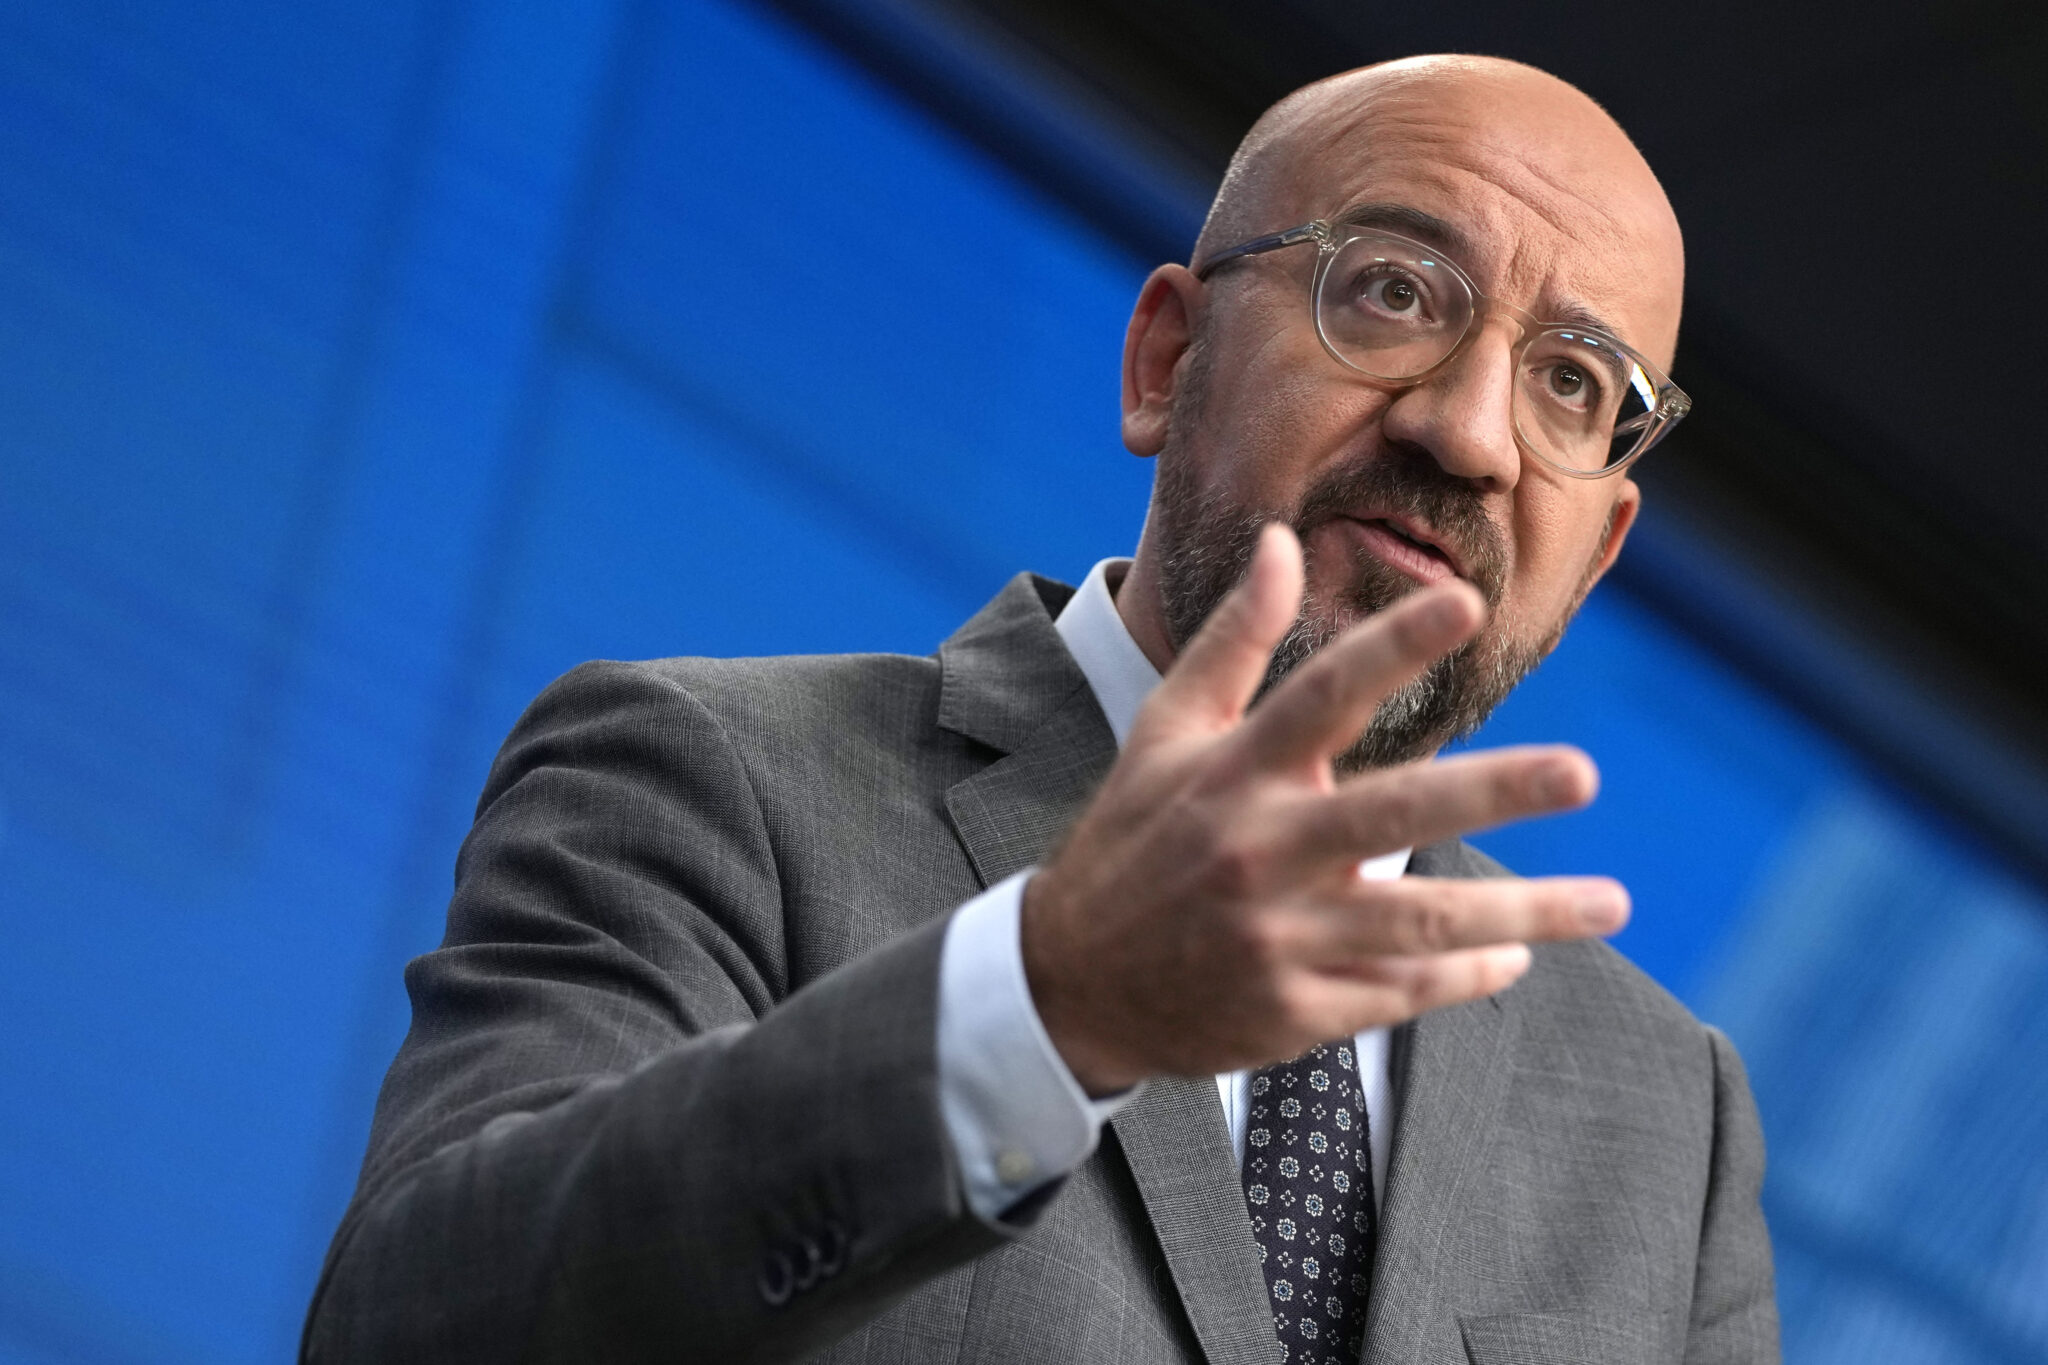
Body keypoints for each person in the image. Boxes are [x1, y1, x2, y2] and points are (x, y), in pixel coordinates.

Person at [303, 54, 1778, 1365]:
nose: (1468, 432)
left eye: (1573, 383)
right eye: (1393, 292)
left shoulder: (1672, 1113)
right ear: (1167, 362)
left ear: (1597, 551)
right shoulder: (710, 781)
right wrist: (1047, 1007)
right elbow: (419, 1327)